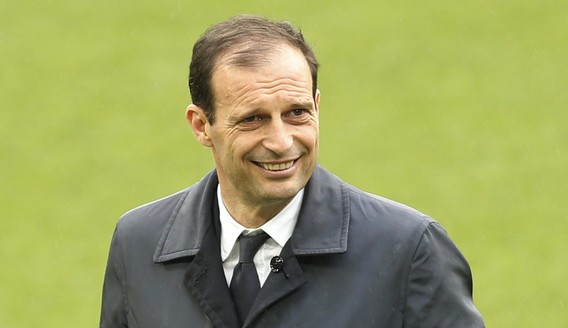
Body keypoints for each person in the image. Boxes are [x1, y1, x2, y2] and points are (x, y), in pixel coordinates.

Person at [100, 14, 484, 328]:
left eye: (297, 113)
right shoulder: (138, 245)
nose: (282, 142)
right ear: (201, 125)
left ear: (317, 105)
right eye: (253, 119)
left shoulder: (409, 250)